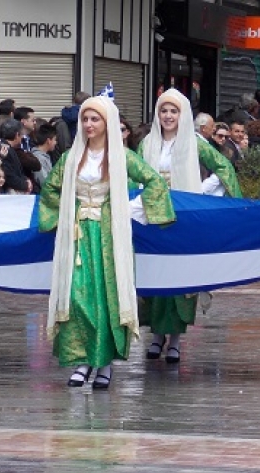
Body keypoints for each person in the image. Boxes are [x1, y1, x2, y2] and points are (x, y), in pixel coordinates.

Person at [39, 96, 174, 389]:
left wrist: (130, 210)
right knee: (77, 296)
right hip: (77, 237)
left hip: (108, 238)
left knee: (104, 299)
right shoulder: (71, 158)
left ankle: (103, 364)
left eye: (94, 119)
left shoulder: (122, 157)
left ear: (107, 123)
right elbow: (50, 189)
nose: (88, 125)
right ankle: (83, 359)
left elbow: (154, 182)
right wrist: (58, 218)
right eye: (85, 119)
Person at [137, 88, 237, 364]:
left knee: (179, 277)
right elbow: (131, 174)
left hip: (182, 218)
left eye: (174, 111)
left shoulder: (195, 143)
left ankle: (176, 340)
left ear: (183, 114)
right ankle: (157, 335)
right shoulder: (147, 144)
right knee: (154, 275)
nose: (168, 116)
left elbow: (224, 167)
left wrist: (201, 191)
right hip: (152, 218)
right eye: (163, 110)